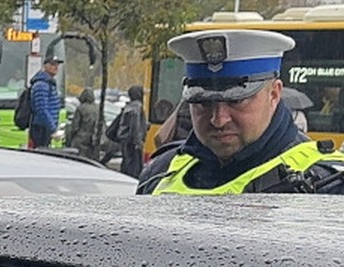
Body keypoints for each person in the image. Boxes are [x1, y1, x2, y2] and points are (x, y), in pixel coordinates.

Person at [139, 29, 344, 194]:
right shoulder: (160, 172)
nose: (218, 120)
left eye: (237, 100)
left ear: (274, 94)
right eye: (203, 103)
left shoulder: (328, 184)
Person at [110, 85, 148, 177]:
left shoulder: (129, 106)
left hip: (125, 140)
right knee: (133, 167)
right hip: (131, 142)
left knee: (126, 163)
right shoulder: (137, 107)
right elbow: (135, 126)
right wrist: (138, 142)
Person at [28, 55, 63, 149]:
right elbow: (42, 109)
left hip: (44, 127)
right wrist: (53, 129)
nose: (55, 67)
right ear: (45, 66)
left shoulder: (49, 83)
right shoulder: (41, 85)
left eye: (57, 65)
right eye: (52, 64)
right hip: (41, 128)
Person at [64, 87, 101, 160]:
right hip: (92, 139)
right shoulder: (97, 108)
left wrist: (70, 137)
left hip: (80, 138)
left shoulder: (81, 108)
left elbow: (75, 126)